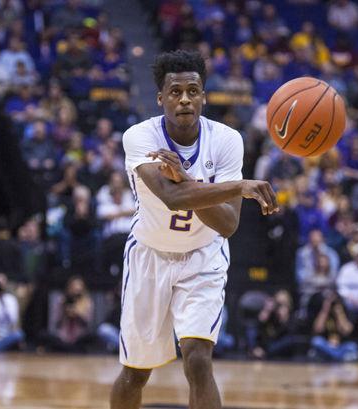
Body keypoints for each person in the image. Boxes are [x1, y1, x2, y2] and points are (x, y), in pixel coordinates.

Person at [110, 50, 279, 409]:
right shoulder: (139, 137)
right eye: (175, 92)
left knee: (199, 360)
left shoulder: (227, 140)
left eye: (192, 90)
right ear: (160, 98)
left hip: (203, 256)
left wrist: (188, 178)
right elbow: (172, 198)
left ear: (203, 96)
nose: (184, 98)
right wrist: (238, 186)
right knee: (135, 373)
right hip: (149, 256)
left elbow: (227, 224)